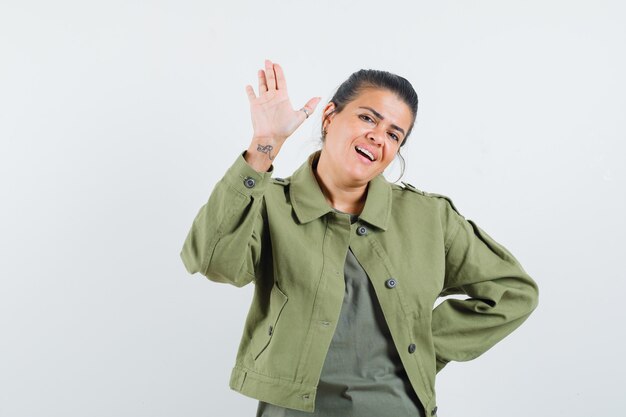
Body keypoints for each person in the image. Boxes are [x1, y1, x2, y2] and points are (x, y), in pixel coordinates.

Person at [180, 59, 539, 417]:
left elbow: (513, 292)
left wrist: (421, 344)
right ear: (330, 116)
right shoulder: (270, 203)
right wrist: (264, 146)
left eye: (394, 134)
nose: (377, 136)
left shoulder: (430, 217)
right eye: (368, 118)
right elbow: (211, 262)